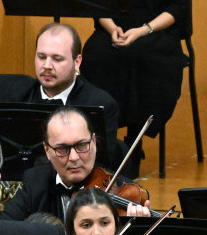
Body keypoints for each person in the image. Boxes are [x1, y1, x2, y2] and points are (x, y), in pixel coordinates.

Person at [81, 0, 189, 178]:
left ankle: (135, 140)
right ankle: (102, 140)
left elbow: (177, 9)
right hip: (113, 28)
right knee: (96, 57)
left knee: (141, 60)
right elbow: (97, 5)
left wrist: (142, 31)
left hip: (156, 31)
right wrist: (113, 29)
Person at [3, 105, 151, 222]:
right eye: (62, 149)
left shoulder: (126, 193)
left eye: (81, 146)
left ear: (93, 142)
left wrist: (136, 228)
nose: (74, 157)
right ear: (47, 150)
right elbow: (6, 226)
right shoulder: (35, 182)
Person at [24, 23, 123, 168]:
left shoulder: (100, 103)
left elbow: (100, 166)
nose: (47, 65)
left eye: (57, 59)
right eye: (41, 57)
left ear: (77, 62)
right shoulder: (20, 95)